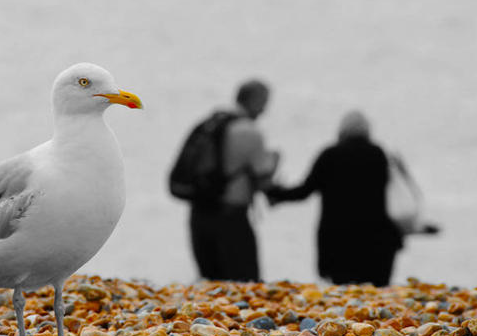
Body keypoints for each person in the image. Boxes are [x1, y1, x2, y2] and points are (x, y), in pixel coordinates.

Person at [266, 111, 403, 287]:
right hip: (375, 240)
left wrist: (274, 191)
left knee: (342, 294)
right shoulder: (378, 154)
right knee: (376, 296)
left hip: (338, 240)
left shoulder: (330, 155)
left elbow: (304, 191)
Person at [171, 80, 279, 282]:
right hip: (231, 218)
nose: (265, 110)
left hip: (199, 214)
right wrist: (275, 162)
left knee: (212, 285)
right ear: (254, 101)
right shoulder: (250, 132)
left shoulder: (209, 123)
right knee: (246, 285)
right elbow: (264, 179)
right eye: (264, 102)